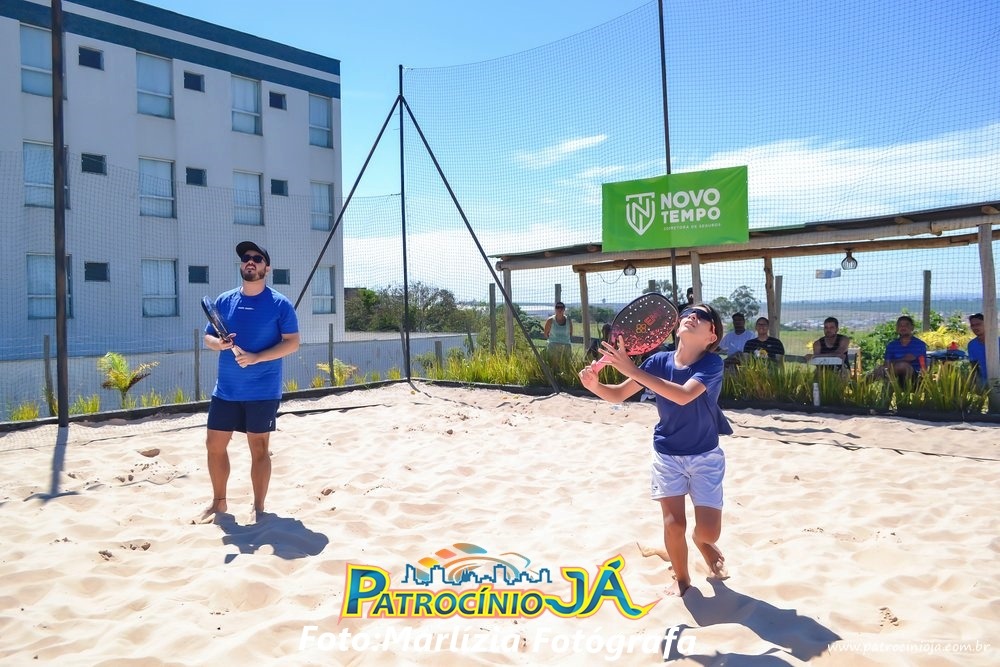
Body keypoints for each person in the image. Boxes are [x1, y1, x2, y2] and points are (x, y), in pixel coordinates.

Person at [579, 303, 732, 597]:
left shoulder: (712, 364)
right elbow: (618, 395)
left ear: (711, 337)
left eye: (702, 316)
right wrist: (594, 385)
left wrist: (632, 369)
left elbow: (684, 395)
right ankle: (683, 580)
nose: (692, 316)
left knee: (709, 531)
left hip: (705, 456)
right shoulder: (657, 362)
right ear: (677, 326)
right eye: (687, 313)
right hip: (667, 454)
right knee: (674, 525)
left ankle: (701, 543)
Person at [201, 241, 300, 521]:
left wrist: (257, 357)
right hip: (226, 391)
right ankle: (219, 503)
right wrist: (218, 344)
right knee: (214, 446)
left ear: (267, 268)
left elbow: (292, 343)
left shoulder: (280, 304)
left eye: (257, 258)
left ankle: (258, 508)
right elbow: (208, 337)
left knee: (259, 449)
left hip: (262, 391)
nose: (250, 261)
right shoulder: (225, 300)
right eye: (246, 257)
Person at [880, 315, 927, 380]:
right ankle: (865, 384)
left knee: (902, 365)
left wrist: (893, 362)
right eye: (900, 325)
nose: (903, 327)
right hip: (894, 375)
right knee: (878, 371)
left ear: (912, 328)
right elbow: (887, 364)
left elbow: (910, 358)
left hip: (916, 377)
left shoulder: (919, 344)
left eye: (906, 325)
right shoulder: (891, 345)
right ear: (896, 328)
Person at [967, 313, 999, 387]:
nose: (975, 327)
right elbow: (974, 367)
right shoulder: (972, 345)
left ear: (987, 325)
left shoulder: (997, 342)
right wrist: (973, 385)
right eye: (972, 325)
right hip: (984, 385)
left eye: (978, 324)